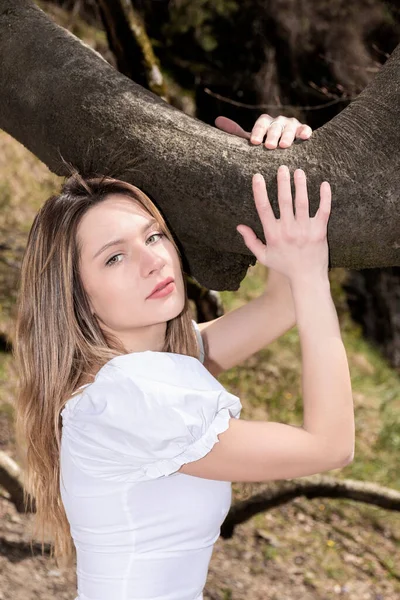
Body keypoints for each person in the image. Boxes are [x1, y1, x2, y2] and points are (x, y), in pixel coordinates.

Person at [12, 113, 354, 600]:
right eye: (115, 256)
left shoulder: (134, 373)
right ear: (76, 297)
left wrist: (278, 166)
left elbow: (281, 305)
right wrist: (312, 276)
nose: (154, 260)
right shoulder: (128, 397)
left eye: (153, 236)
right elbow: (330, 445)